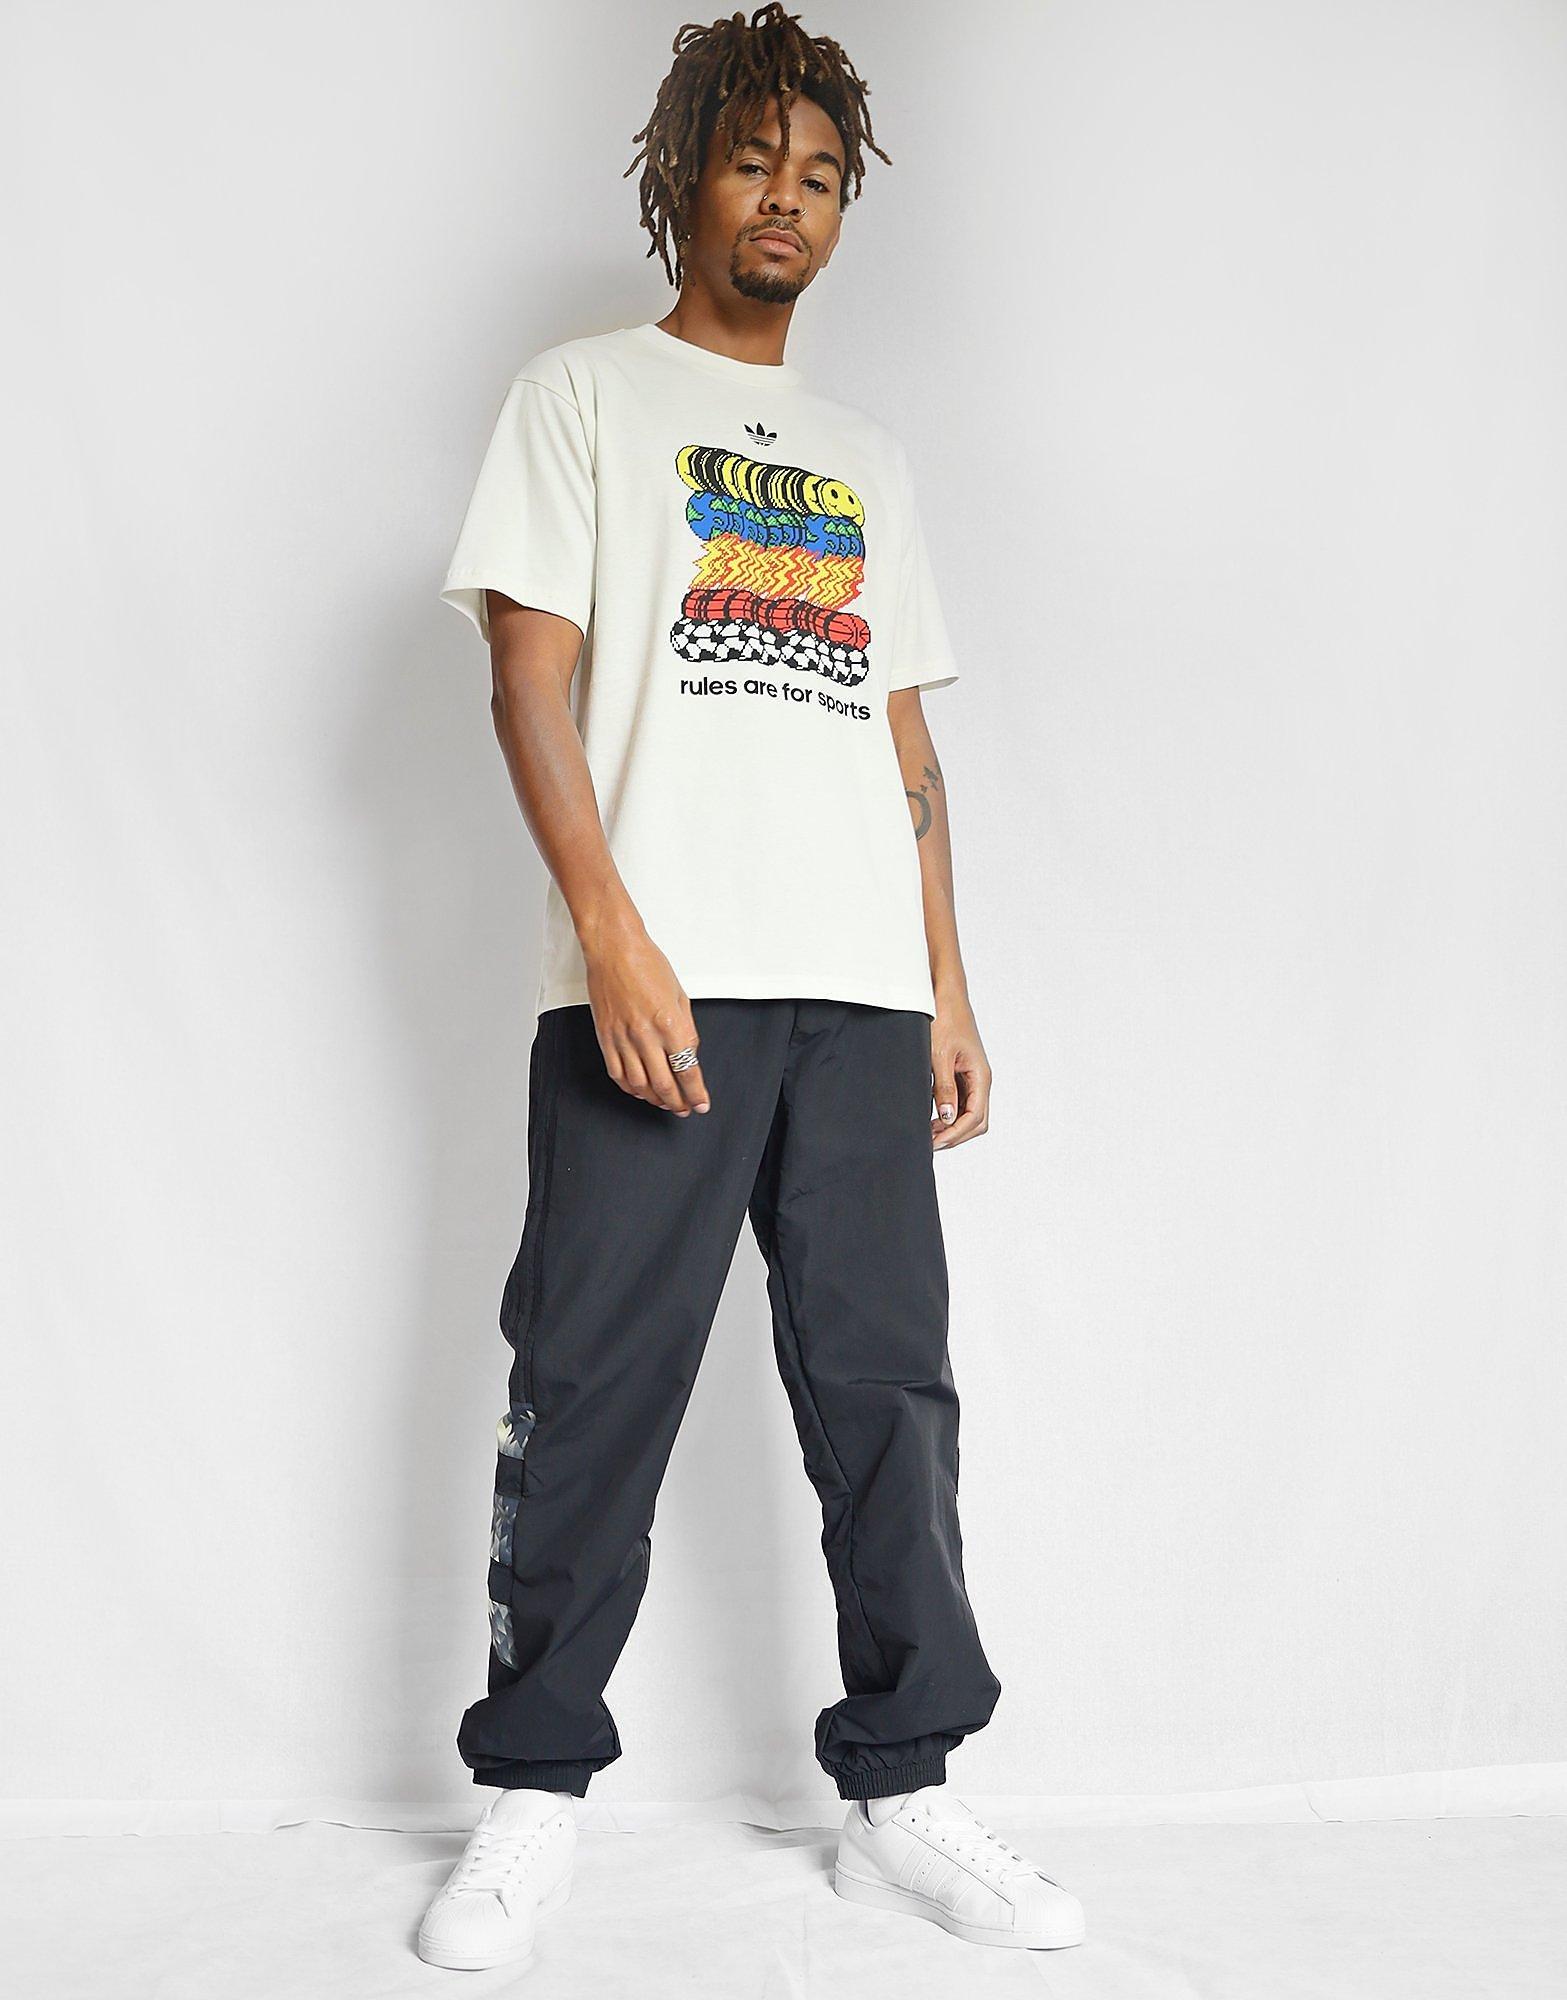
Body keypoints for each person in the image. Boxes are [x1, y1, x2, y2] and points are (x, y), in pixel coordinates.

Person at [417, 4, 1085, 1972]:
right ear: (683, 179)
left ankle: (907, 1790)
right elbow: (526, 678)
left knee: (888, 1395)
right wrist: (615, 933)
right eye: (750, 163)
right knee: (592, 1381)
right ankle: (535, 1793)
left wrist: (947, 984)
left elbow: (905, 746)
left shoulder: (868, 459)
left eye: (816, 177)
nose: (783, 200)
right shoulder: (581, 397)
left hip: (858, 996)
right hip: (662, 987)